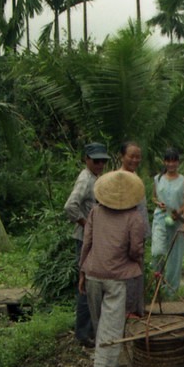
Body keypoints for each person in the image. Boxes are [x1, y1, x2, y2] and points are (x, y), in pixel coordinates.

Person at [79, 170, 147, 367]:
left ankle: (100, 364)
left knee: (100, 321)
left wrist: (82, 270)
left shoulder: (95, 212)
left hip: (93, 273)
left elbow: (86, 243)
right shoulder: (134, 217)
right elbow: (136, 249)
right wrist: (137, 261)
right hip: (118, 276)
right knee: (112, 323)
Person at [64, 142, 110, 347]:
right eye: (96, 160)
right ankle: (83, 333)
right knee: (86, 285)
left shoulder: (96, 178)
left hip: (94, 238)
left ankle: (90, 329)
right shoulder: (85, 179)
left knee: (93, 284)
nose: (100, 164)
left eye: (103, 161)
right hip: (85, 240)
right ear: (86, 159)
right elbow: (70, 206)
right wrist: (86, 224)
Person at [150, 148, 184, 299]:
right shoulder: (158, 179)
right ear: (164, 162)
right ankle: (157, 284)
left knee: (175, 256)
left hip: (177, 220)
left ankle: (170, 291)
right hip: (160, 218)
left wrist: (179, 212)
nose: (171, 164)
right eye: (168, 161)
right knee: (157, 252)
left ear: (178, 162)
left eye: (174, 161)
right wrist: (158, 203)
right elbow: (153, 197)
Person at [118, 140, 149, 316]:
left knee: (138, 273)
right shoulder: (119, 178)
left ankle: (137, 310)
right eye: (131, 156)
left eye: (138, 157)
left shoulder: (135, 176)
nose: (135, 160)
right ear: (122, 156)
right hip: (126, 236)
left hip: (139, 234)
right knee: (128, 274)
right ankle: (128, 312)